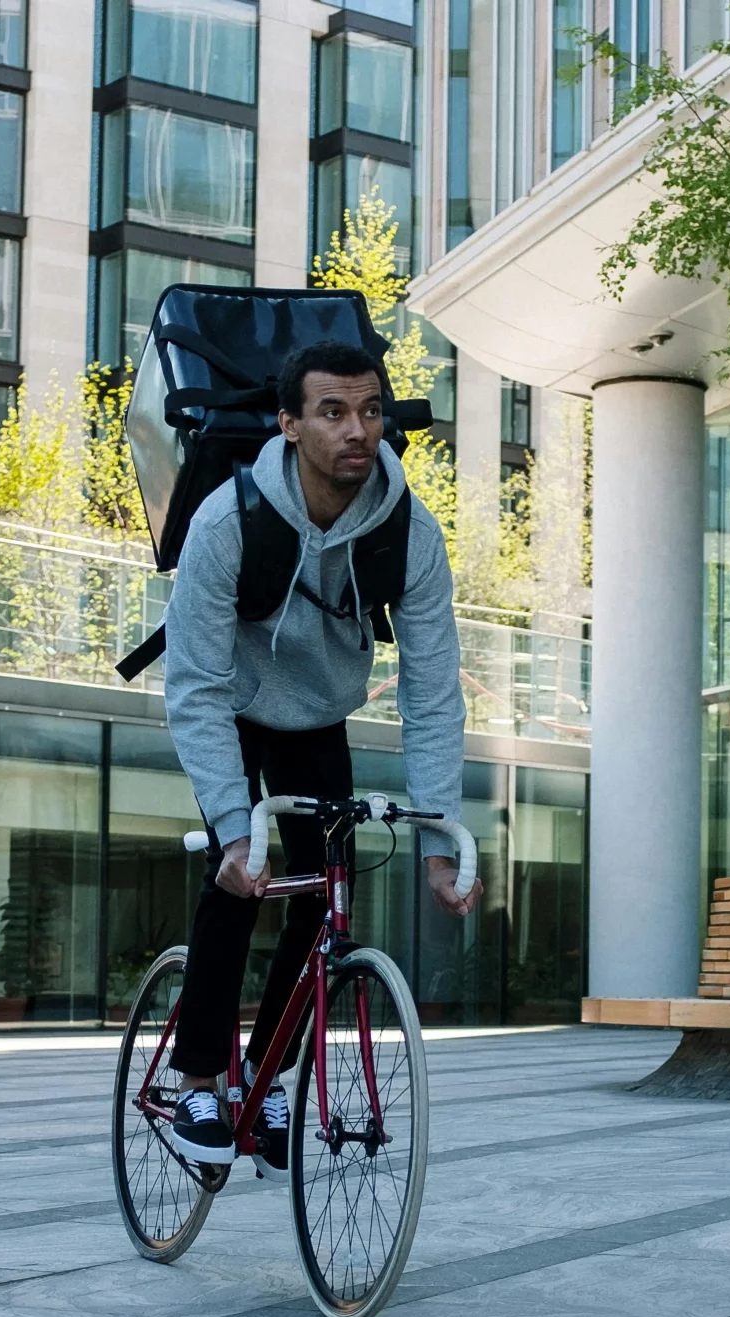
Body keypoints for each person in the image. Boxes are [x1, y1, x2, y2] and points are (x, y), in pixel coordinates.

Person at [161, 339, 476, 1177]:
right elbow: (192, 684)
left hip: (318, 716)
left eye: (371, 410)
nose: (357, 430)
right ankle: (198, 1077)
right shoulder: (228, 521)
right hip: (229, 706)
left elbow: (434, 690)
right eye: (332, 411)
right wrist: (234, 828)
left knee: (324, 898)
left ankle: (269, 1083)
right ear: (290, 423)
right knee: (242, 875)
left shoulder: (408, 532)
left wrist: (443, 840)